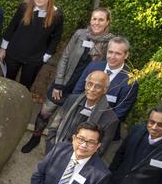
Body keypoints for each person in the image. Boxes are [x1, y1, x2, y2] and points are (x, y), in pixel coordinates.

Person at [21, 9, 114, 153]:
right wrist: (58, 82)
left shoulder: (109, 43)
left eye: (101, 20)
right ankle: (35, 138)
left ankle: (53, 149)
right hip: (63, 83)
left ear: (107, 22)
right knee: (45, 112)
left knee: (63, 121)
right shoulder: (80, 35)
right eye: (94, 19)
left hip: (82, 91)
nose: (97, 22)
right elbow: (65, 57)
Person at [0, 0, 64, 90]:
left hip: (34, 59)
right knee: (6, 84)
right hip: (13, 53)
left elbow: (56, 37)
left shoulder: (57, 15)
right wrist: (3, 48)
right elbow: (12, 27)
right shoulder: (24, 7)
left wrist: (46, 56)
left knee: (24, 88)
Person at [45, 70, 119, 155]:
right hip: (54, 151)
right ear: (85, 84)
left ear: (105, 89)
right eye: (89, 84)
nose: (92, 89)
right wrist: (51, 149)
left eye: (97, 86)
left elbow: (99, 150)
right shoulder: (71, 100)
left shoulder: (110, 119)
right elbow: (54, 127)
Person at [72, 37, 139, 128]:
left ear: (126, 55)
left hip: (102, 128)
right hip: (77, 119)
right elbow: (77, 93)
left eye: (118, 53)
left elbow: (119, 114)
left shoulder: (130, 82)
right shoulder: (93, 66)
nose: (112, 57)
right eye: (110, 52)